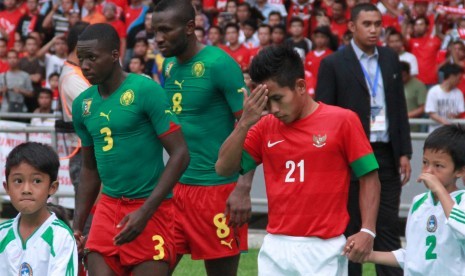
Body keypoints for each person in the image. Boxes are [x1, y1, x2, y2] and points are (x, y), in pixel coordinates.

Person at [215, 45, 381, 275]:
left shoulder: (343, 121)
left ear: (301, 86)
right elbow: (223, 168)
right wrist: (244, 122)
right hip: (275, 244)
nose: (273, 109)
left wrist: (368, 230)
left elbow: (369, 177)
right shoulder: (264, 127)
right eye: (266, 102)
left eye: (277, 98)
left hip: (324, 247)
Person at [71, 23, 189, 276]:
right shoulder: (83, 104)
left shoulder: (145, 90)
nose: (85, 65)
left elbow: (181, 154)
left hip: (151, 209)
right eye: (81, 58)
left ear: (115, 55)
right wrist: (77, 226)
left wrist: (146, 211)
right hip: (108, 209)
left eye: (92, 57)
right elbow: (89, 169)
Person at [152, 1, 251, 275]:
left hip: (216, 191)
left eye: (165, 30)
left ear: (189, 28)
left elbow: (251, 124)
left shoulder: (220, 64)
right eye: (154, 31)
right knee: (151, 267)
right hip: (176, 189)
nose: (158, 38)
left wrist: (243, 188)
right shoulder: (169, 66)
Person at [316, 3, 413, 276]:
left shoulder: (391, 58)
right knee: (350, 229)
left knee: (387, 228)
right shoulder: (332, 64)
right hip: (348, 159)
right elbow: (324, 113)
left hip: (385, 153)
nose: (374, 30)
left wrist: (404, 151)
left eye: (377, 24)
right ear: (351, 27)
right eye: (367, 24)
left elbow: (398, 106)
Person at [355, 124, 465, 275]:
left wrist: (440, 190)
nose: (428, 171)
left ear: (460, 171)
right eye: (425, 162)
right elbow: (414, 256)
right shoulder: (419, 203)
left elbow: (461, 228)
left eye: (439, 166)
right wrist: (370, 255)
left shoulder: (462, 201)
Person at [0, 142, 78, 275]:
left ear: (52, 187)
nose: (26, 190)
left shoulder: (61, 236)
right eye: (18, 181)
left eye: (36, 181)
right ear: (7, 187)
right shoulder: (2, 234)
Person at [425, 63, 465, 133]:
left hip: (452, 132)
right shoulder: (433, 91)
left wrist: (455, 115)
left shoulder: (458, 93)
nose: (460, 81)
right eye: (458, 79)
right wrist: (444, 122)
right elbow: (431, 112)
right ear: (452, 76)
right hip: (435, 131)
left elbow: (460, 111)